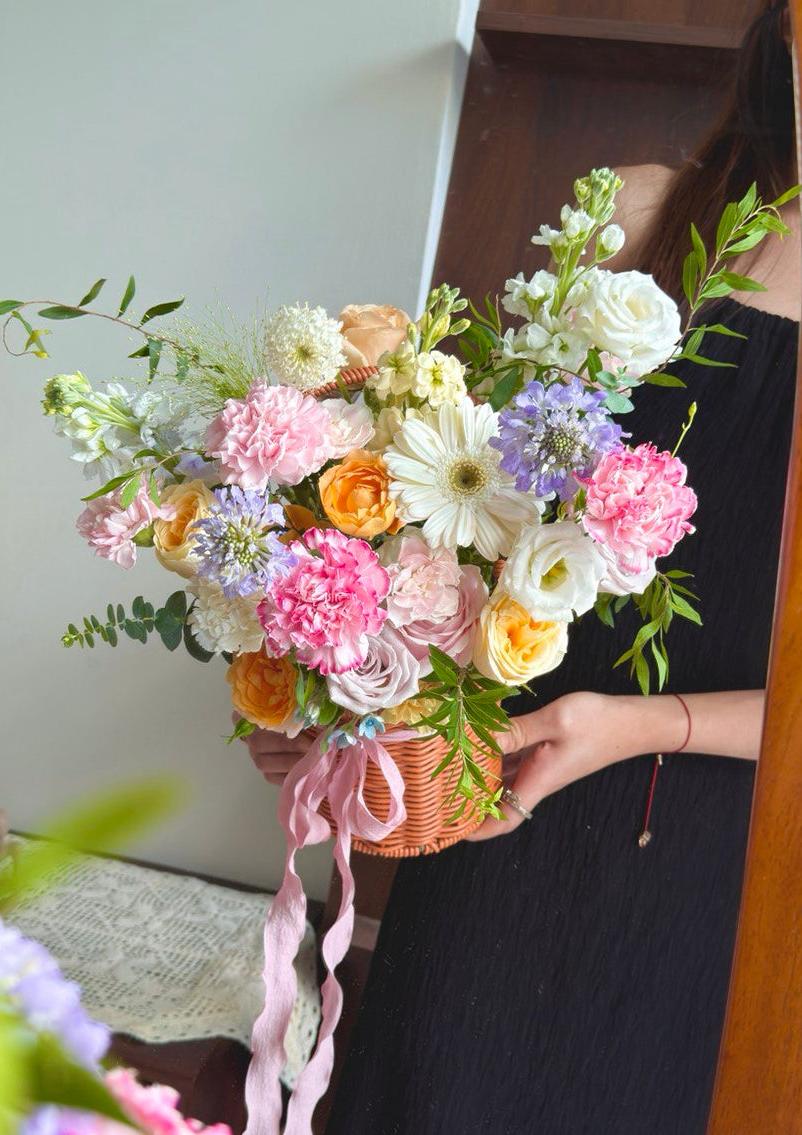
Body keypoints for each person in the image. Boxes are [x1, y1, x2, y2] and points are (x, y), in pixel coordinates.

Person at [247, 3, 799, 1130]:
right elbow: (468, 511)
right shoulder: (639, 213)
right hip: (507, 799)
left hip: (736, 871)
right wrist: (349, 706)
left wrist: (644, 724)